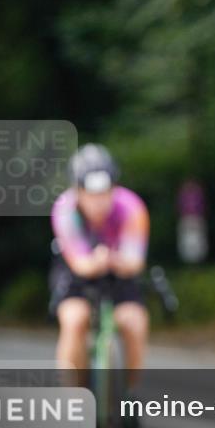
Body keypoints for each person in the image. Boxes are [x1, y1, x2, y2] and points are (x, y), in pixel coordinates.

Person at [50, 144, 150, 389]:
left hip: (119, 274)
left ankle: (129, 395)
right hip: (78, 277)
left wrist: (112, 260)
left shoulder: (132, 207)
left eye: (104, 192)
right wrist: (100, 260)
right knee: (74, 319)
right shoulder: (65, 209)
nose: (98, 201)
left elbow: (135, 262)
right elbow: (79, 264)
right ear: (78, 191)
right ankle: (72, 396)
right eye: (90, 193)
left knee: (135, 323)